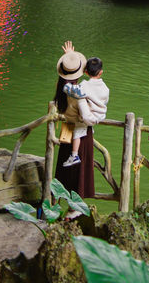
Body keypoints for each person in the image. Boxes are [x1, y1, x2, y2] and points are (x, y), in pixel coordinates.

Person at [54, 41, 95, 198]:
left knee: (66, 170)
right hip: (81, 131)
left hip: (67, 130)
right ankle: (74, 209)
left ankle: (63, 202)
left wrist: (68, 57)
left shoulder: (62, 88)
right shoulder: (79, 91)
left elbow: (65, 77)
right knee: (79, 170)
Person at [62, 55, 110, 167]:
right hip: (99, 116)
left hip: (86, 118)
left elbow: (67, 89)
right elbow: (105, 102)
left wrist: (69, 59)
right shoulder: (106, 89)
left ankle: (74, 155)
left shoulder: (84, 86)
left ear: (86, 72)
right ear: (101, 72)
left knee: (78, 128)